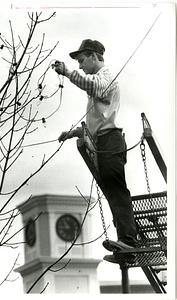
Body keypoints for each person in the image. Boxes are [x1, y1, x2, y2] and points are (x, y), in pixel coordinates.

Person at [54, 39, 137, 261]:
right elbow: (95, 125)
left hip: (110, 141)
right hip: (103, 142)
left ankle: (129, 240)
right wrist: (73, 133)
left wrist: (68, 73)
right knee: (112, 192)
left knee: (116, 191)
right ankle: (125, 246)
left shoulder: (106, 79)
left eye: (82, 61)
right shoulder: (98, 85)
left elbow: (93, 85)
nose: (80, 66)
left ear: (94, 57)